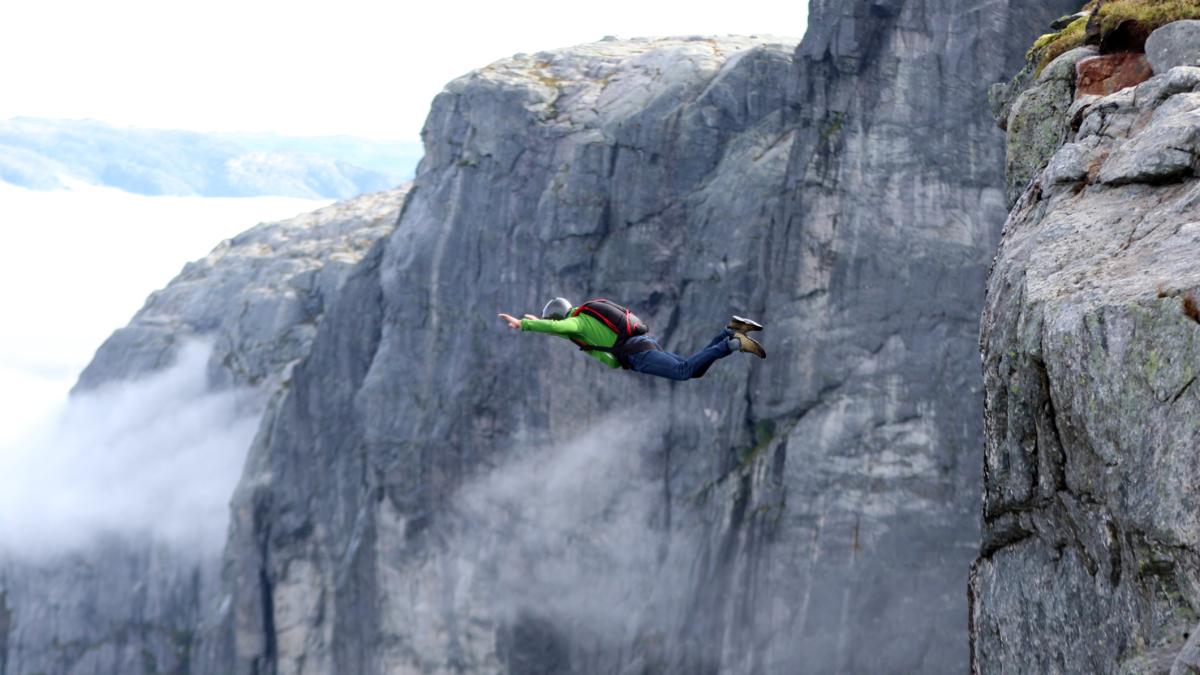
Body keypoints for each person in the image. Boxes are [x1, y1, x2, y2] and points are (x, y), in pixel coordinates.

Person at [498, 297, 765, 381]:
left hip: (638, 354)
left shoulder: (576, 323)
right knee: (691, 371)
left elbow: (559, 328)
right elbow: (560, 327)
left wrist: (524, 324)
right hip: (647, 344)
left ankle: (733, 343)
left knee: (684, 371)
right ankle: (731, 331)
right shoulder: (585, 316)